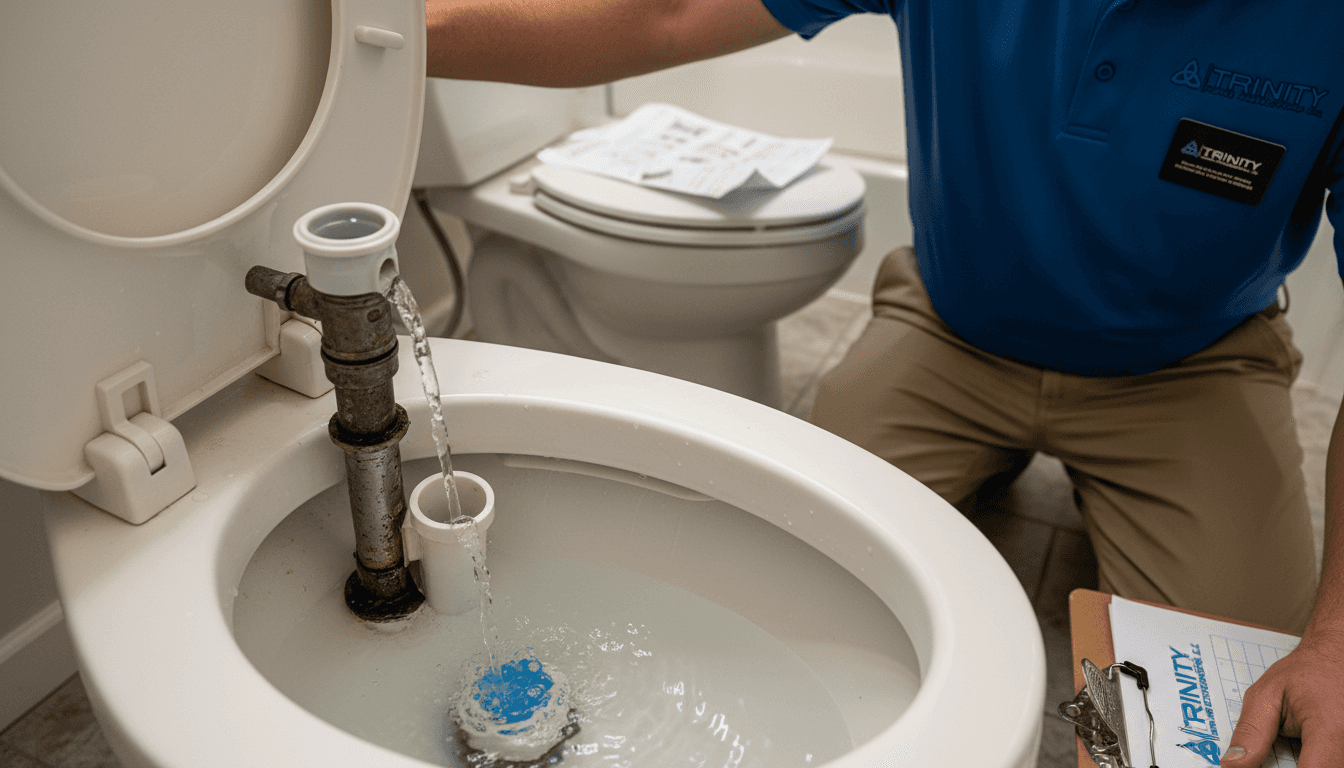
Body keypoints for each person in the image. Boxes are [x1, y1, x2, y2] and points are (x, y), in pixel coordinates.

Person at [425, 0, 1344, 763]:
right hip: (953, 334)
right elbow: (667, 15)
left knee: (1241, 720)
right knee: (772, 585)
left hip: (1187, 365)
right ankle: (981, 466)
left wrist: (1336, 642)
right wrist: (369, 31)